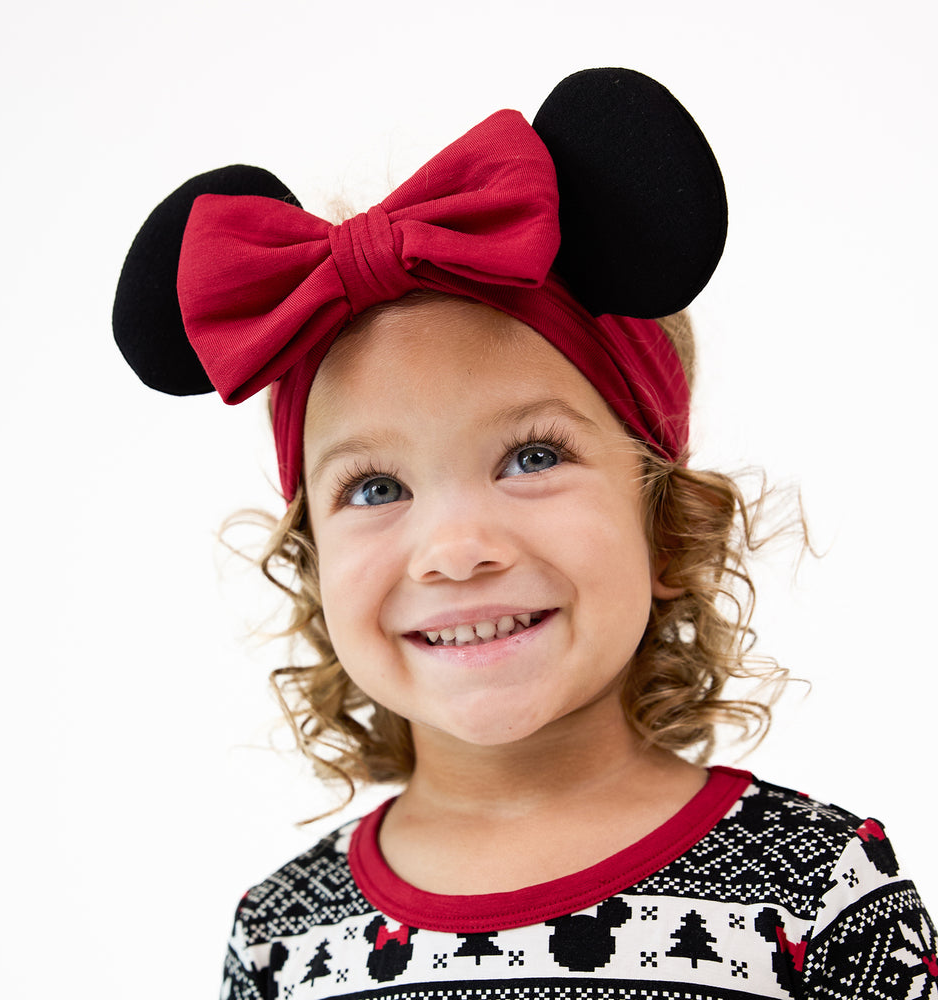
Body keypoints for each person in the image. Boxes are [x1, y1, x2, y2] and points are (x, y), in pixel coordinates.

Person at [113, 69, 936, 1000]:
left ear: (664, 523)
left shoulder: (817, 888)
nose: (457, 548)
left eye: (533, 458)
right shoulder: (281, 938)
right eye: (376, 486)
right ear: (312, 569)